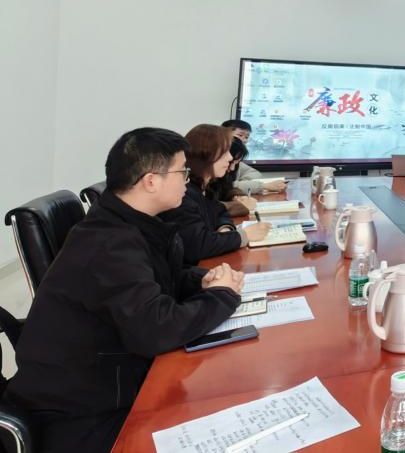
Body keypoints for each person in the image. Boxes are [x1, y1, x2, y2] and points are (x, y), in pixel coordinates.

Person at [3, 128, 245, 453]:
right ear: (151, 181)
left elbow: (155, 279)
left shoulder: (131, 223)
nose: (187, 180)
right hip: (83, 411)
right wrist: (222, 295)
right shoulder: (109, 243)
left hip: (111, 381)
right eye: (182, 172)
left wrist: (201, 280)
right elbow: (157, 330)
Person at [161, 124, 270, 264]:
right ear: (206, 155)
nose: (230, 158)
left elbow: (220, 211)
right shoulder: (183, 194)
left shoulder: (205, 187)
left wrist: (225, 228)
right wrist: (244, 235)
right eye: (225, 152)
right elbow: (198, 246)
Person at [222, 119, 286, 193]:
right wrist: (263, 186)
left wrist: (243, 184)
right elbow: (226, 186)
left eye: (247, 137)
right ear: (223, 134)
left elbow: (255, 174)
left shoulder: (237, 159)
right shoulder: (218, 156)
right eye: (240, 135)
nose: (244, 140)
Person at [208, 137, 254, 217]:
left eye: (236, 163)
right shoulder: (197, 181)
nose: (232, 168)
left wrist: (238, 196)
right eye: (230, 162)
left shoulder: (226, 172)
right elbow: (206, 208)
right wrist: (238, 206)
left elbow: (227, 188)